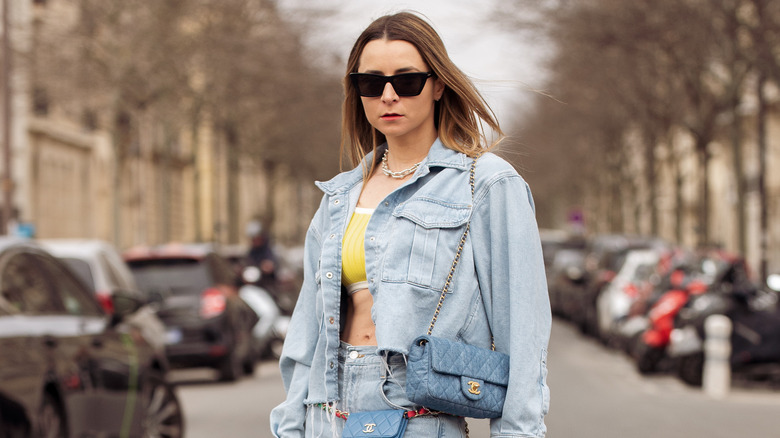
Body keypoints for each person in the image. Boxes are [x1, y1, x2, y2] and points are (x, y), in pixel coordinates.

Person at [271, 11, 551, 438]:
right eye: (370, 83)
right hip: (327, 418)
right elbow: (306, 337)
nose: (388, 96)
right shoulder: (339, 197)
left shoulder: (488, 184)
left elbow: (524, 335)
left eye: (406, 81)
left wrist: (517, 432)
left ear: (438, 84)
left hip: (419, 417)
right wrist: (291, 427)